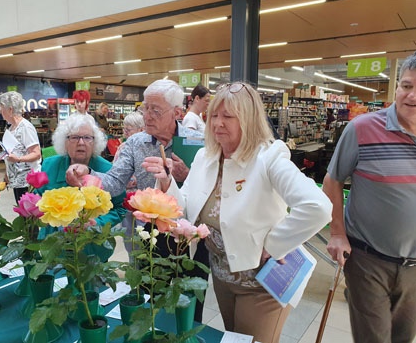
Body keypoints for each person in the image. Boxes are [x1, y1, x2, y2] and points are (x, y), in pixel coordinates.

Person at [142, 81, 332, 343]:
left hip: (264, 283)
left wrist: (275, 244)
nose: (218, 123)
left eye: (228, 116)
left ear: (249, 119)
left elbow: (318, 207)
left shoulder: (268, 157)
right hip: (222, 279)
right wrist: (166, 182)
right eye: (214, 115)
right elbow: (186, 207)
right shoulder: (206, 158)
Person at [66, 79, 207, 321]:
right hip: (153, 233)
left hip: (192, 233)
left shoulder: (198, 142)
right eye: (145, 108)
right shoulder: (136, 143)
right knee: (151, 298)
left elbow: (210, 189)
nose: (147, 116)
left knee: (190, 304)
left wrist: (187, 175)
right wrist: (89, 174)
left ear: (176, 112)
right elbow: (114, 181)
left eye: (155, 110)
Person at [323, 52, 416, 343]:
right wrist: (337, 233)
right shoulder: (362, 129)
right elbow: (332, 179)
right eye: (407, 86)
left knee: (403, 337)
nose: (411, 95)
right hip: (368, 260)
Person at [37, 113, 126, 227]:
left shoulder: (107, 170)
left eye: (87, 137)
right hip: (53, 238)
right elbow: (37, 199)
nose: (81, 143)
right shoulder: (50, 165)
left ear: (95, 142)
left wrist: (98, 223)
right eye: (74, 137)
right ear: (64, 141)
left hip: (91, 238)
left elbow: (120, 208)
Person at [0, 91, 42, 203]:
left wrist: (18, 159)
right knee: (22, 211)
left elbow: (36, 153)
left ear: (10, 109)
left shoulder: (26, 127)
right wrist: (7, 173)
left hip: (28, 181)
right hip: (17, 179)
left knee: (28, 214)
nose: (0, 111)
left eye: (2, 107)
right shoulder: (12, 127)